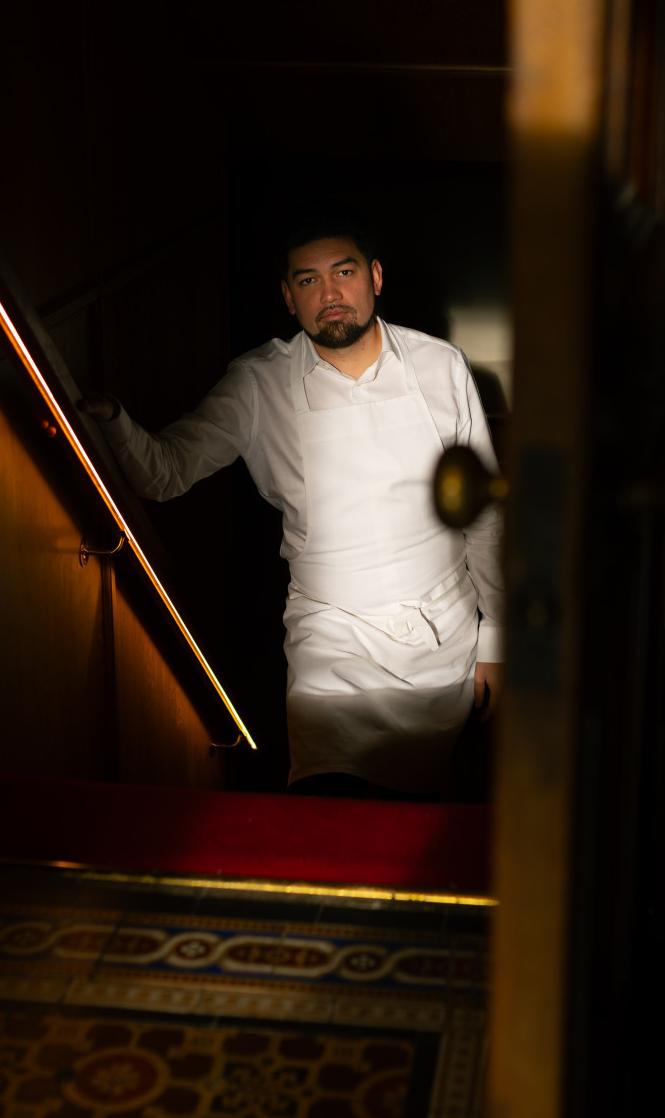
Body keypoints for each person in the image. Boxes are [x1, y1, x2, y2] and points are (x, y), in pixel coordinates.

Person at [79, 218, 503, 799]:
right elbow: (167, 472)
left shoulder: (439, 365)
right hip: (333, 637)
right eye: (308, 281)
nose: (329, 294)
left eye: (344, 273)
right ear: (288, 296)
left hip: (443, 631)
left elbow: (483, 516)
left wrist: (495, 637)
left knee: (424, 812)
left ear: (375, 278)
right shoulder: (259, 384)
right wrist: (113, 423)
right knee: (330, 800)